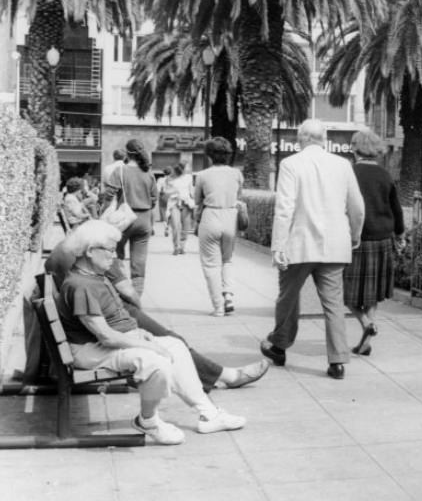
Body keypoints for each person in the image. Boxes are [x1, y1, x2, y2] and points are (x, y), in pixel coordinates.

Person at [53, 221, 246, 444]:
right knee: (156, 361)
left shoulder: (93, 275)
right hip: (88, 351)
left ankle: (209, 414)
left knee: (176, 345)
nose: (114, 256)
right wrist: (147, 344)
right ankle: (149, 421)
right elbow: (106, 336)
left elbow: (112, 325)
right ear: (89, 251)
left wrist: (137, 333)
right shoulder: (81, 286)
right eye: (109, 250)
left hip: (99, 344)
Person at [45, 224, 269, 391]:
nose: (113, 253)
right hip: (111, 317)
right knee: (173, 340)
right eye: (111, 249)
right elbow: (128, 292)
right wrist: (137, 311)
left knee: (169, 341)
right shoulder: (98, 252)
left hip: (95, 317)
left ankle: (212, 380)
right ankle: (224, 377)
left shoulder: (67, 249)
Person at [260, 119, 364, 380]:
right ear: (325, 137)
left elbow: (284, 207)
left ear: (300, 139)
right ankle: (337, 360)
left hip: (299, 244)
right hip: (335, 245)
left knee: (288, 297)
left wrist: (277, 246)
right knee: (333, 304)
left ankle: (280, 345)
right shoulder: (343, 165)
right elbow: (357, 207)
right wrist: (354, 235)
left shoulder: (290, 164)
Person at [343, 128, 405, 356]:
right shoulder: (384, 175)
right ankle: (366, 341)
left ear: (355, 148)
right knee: (372, 293)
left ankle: (365, 324)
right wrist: (400, 234)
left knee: (345, 292)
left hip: (357, 240)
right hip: (382, 240)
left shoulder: (350, 173)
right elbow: (396, 209)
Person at [101, 138, 158, 299]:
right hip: (144, 219)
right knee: (139, 260)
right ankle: (136, 296)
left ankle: (121, 291)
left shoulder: (120, 171)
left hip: (124, 219)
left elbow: (108, 195)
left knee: (116, 253)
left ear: (127, 152)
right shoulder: (149, 173)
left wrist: (101, 213)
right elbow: (154, 198)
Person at [194, 137, 243, 317]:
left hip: (211, 216)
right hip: (231, 217)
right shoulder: (237, 174)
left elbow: (197, 200)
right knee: (227, 260)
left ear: (209, 155)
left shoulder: (202, 175)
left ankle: (218, 306)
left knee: (211, 265)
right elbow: (239, 195)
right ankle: (229, 295)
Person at [164, 163, 195, 255]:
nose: (188, 169)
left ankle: (182, 246)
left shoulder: (189, 177)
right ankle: (176, 247)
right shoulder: (169, 178)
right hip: (174, 204)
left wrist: (193, 201)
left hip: (186, 204)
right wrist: (175, 192)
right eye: (187, 168)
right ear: (182, 169)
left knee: (185, 227)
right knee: (175, 226)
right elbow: (166, 191)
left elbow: (191, 191)